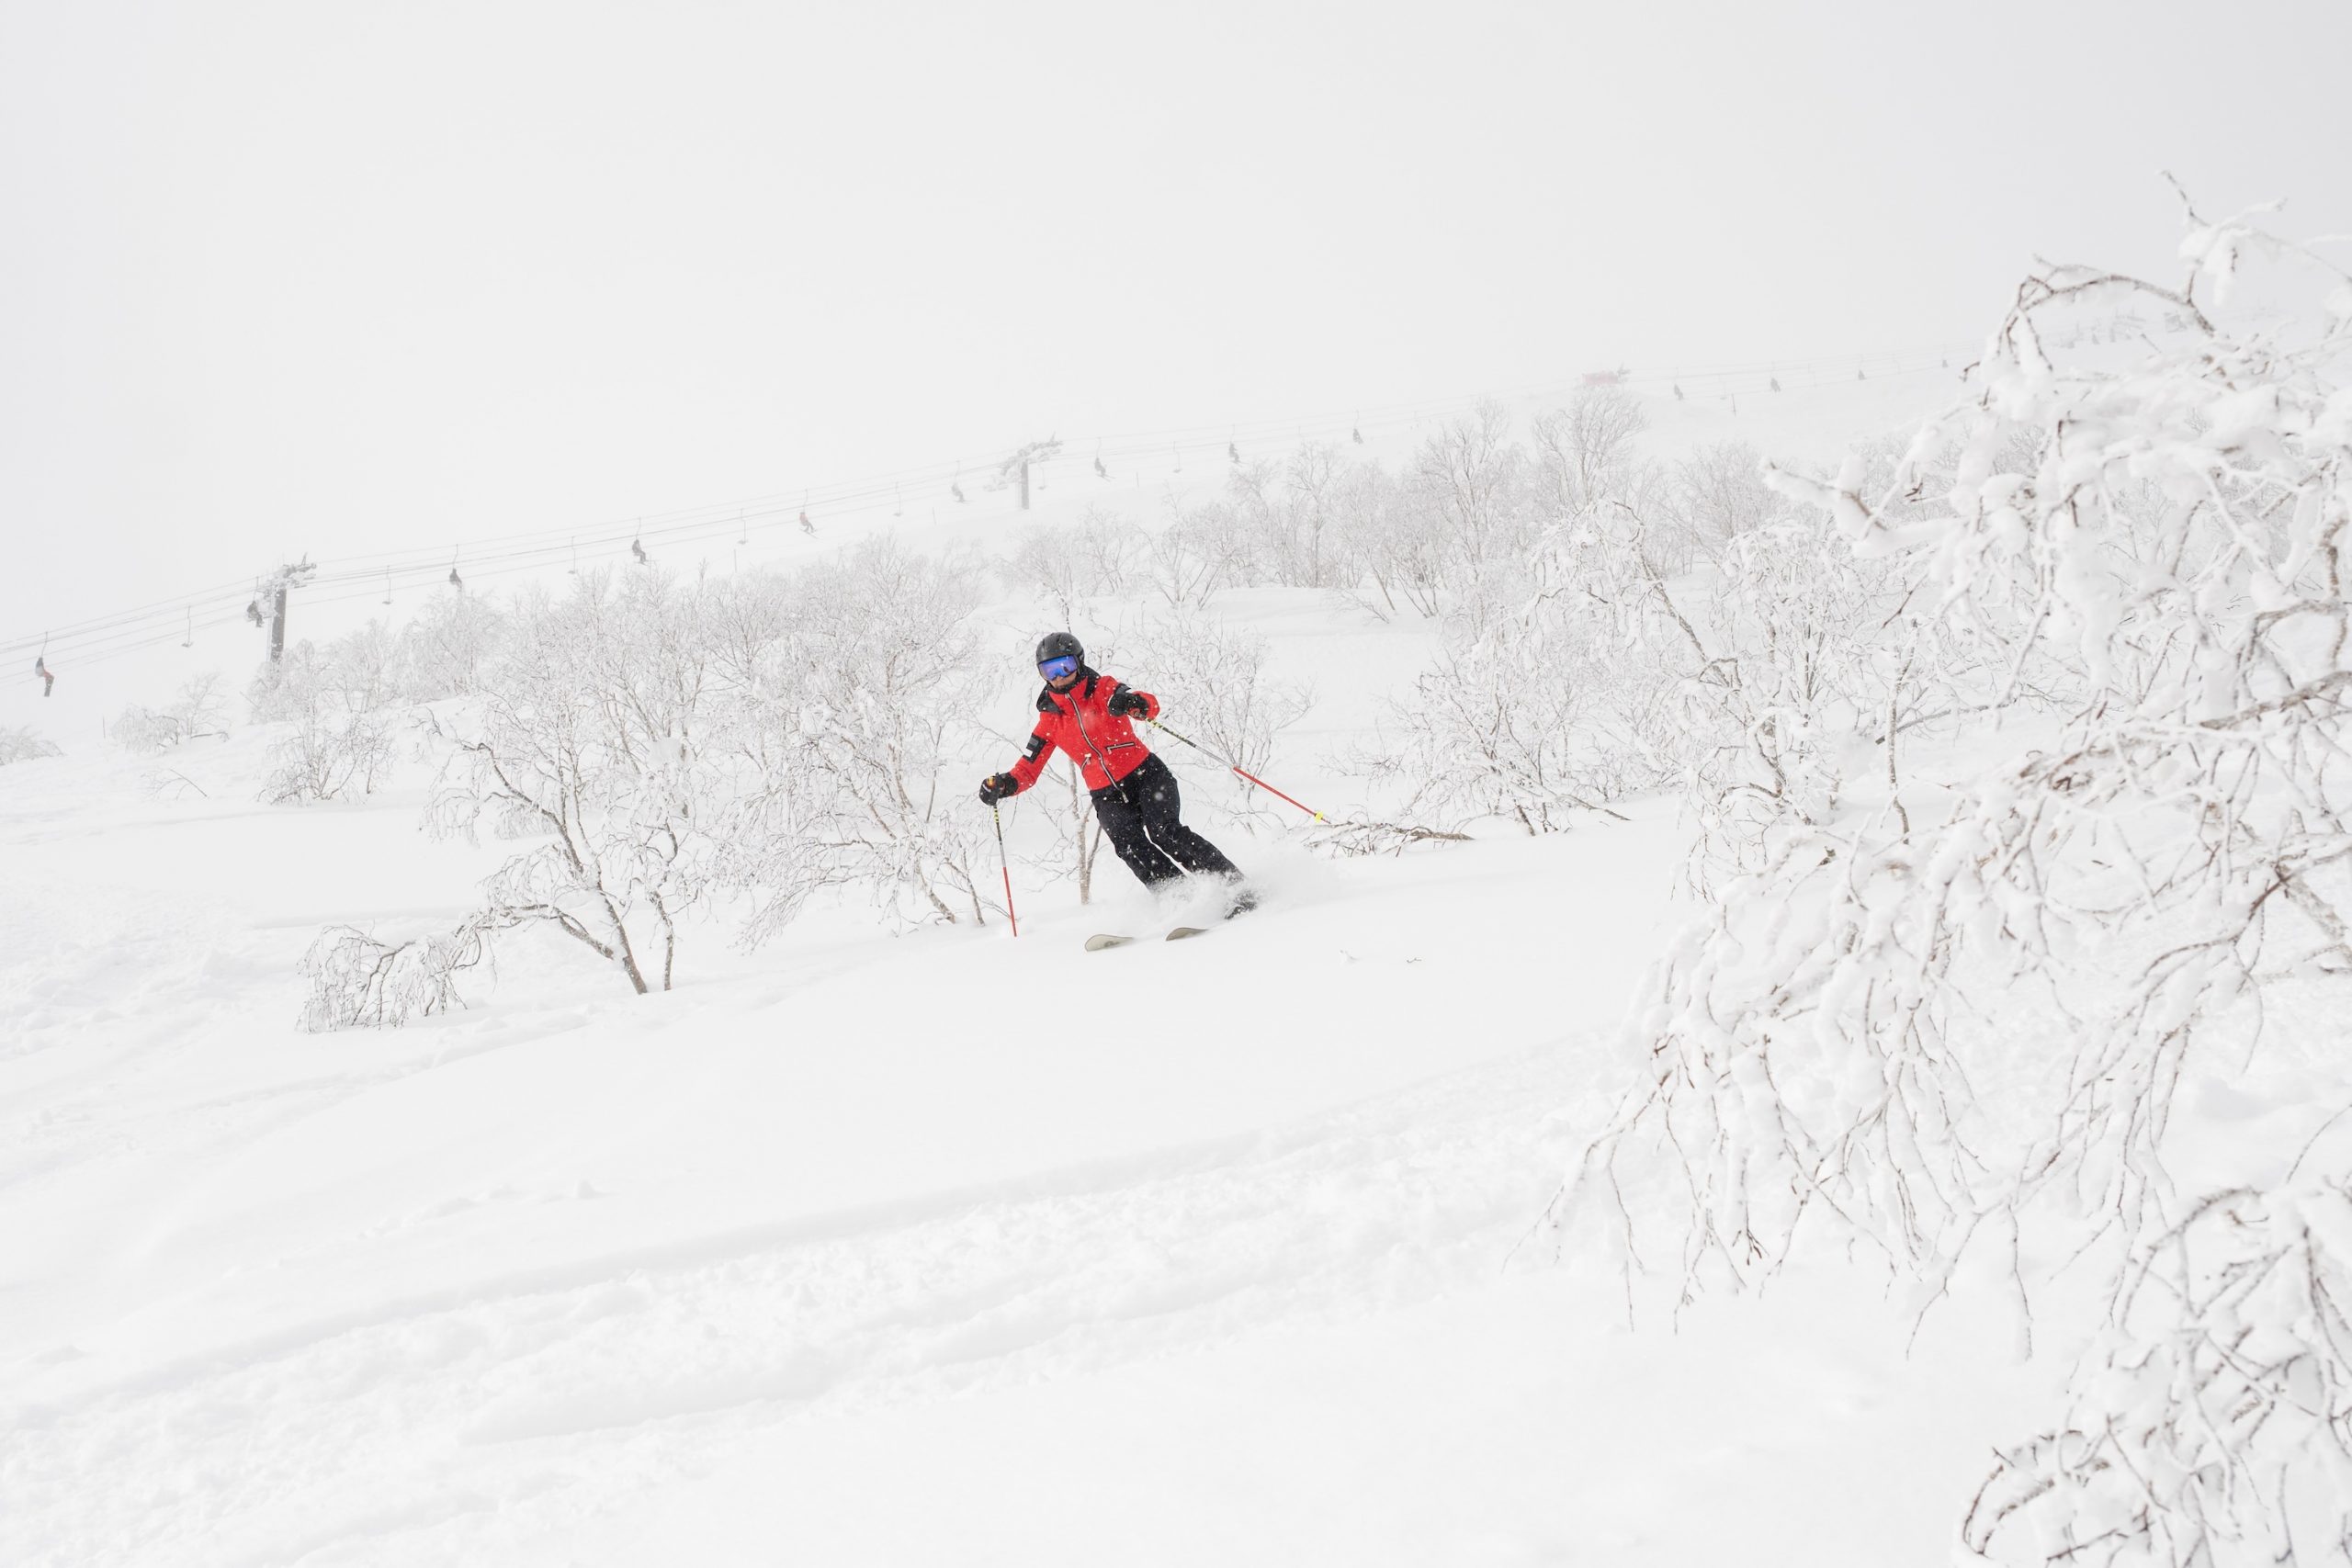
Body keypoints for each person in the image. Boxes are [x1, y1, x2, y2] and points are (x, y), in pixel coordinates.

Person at [980, 632, 1249, 905]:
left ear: (1079, 662)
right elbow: (1028, 768)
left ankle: (1233, 887)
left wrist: (1134, 703)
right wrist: (1005, 784)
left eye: (1065, 666)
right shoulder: (1050, 720)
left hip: (1145, 775)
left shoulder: (1102, 689)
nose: (1058, 677)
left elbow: (1146, 703)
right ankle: (1182, 900)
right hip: (1106, 794)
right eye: (1049, 671)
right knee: (1128, 845)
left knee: (1164, 831)